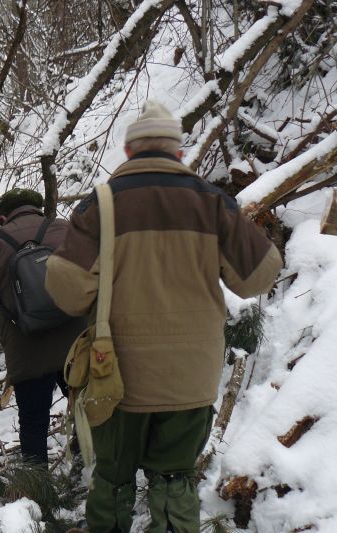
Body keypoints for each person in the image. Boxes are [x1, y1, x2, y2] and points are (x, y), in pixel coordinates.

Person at [45, 100, 283, 532]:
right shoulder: (212, 204)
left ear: (130, 151)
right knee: (175, 483)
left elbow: (64, 288)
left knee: (113, 481)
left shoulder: (101, 204)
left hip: (115, 379)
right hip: (189, 380)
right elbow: (260, 276)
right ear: (178, 152)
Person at [0, 188, 85, 465]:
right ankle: (90, 467)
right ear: (38, 208)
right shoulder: (66, 229)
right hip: (77, 341)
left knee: (33, 422)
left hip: (28, 348)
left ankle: (37, 492)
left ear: (2, 216)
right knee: (88, 409)